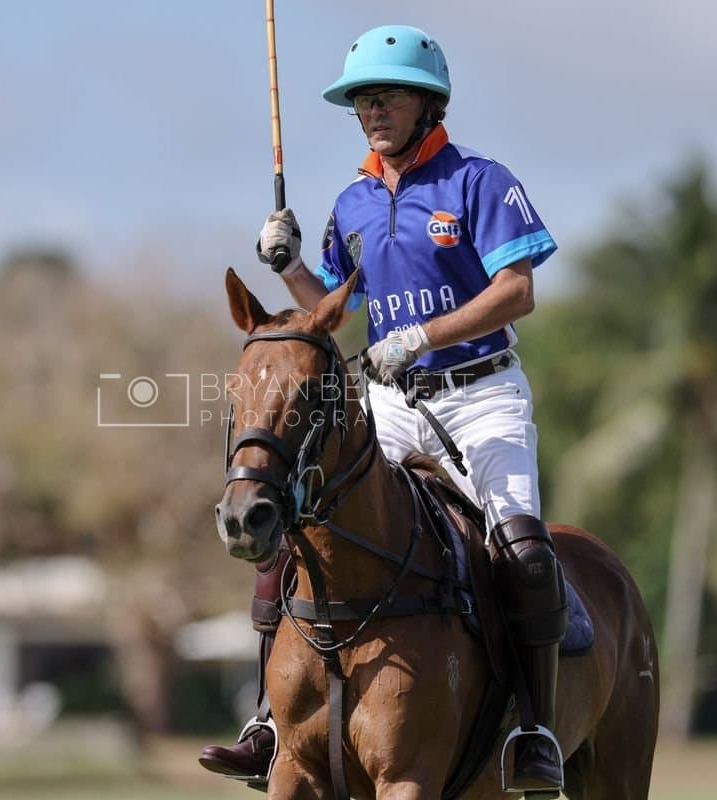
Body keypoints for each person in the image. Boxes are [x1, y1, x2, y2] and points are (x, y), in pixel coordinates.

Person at [200, 24, 567, 793]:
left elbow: (517, 291)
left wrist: (420, 335)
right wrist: (292, 264)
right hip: (389, 403)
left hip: (481, 395)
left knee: (523, 553)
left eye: (387, 96)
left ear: (427, 103)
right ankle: (270, 720)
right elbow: (334, 309)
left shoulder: (478, 182)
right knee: (295, 536)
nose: (373, 111)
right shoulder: (354, 202)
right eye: (362, 100)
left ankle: (532, 731)